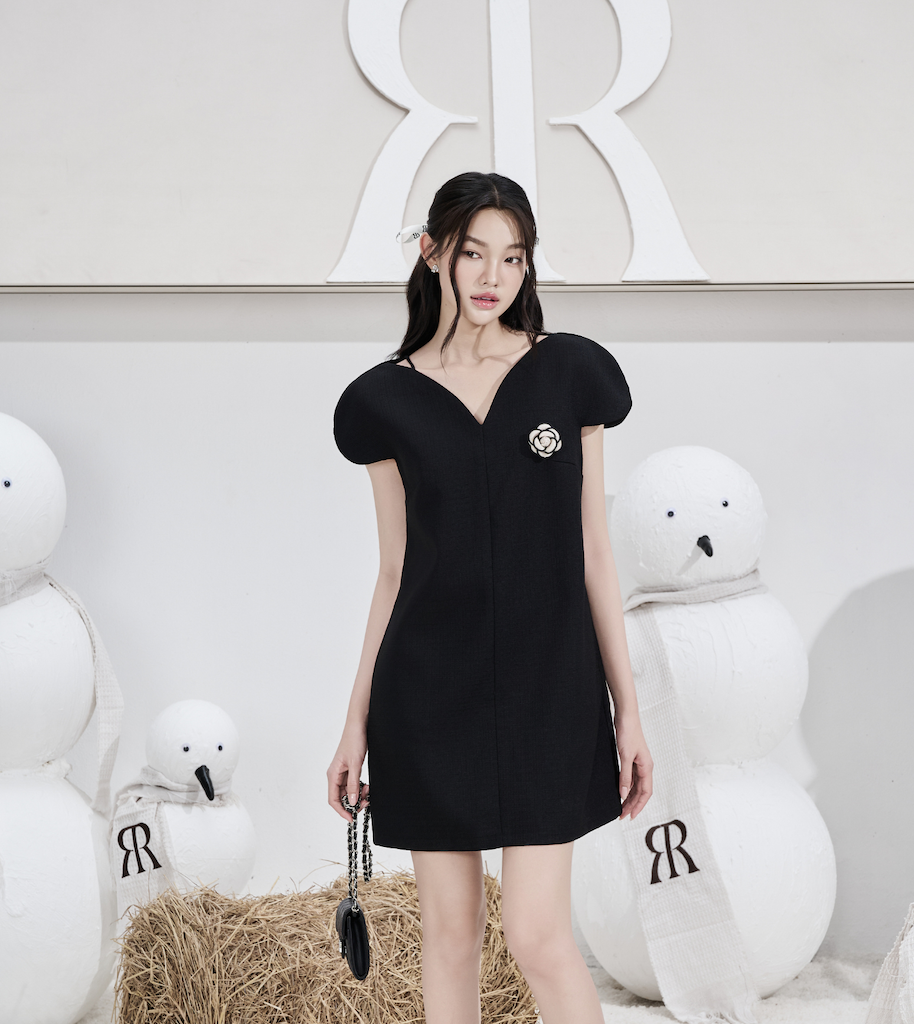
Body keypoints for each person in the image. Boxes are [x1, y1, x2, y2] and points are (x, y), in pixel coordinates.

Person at [328, 171, 653, 1024]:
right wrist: (356, 722)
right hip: (428, 695)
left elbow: (594, 553)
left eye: (513, 257)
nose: (492, 276)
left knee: (537, 937)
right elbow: (394, 572)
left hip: (551, 689)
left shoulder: (569, 373)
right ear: (433, 253)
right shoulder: (383, 402)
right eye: (474, 253)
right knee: (450, 937)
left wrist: (628, 710)